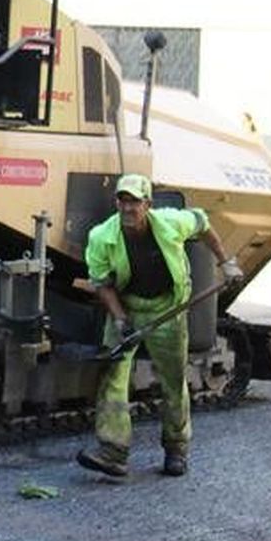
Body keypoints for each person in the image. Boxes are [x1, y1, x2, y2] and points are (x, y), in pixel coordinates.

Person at [77, 173, 243, 480]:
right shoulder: (102, 236)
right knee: (113, 376)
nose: (127, 208)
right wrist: (120, 319)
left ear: (148, 204)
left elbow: (203, 223)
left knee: (173, 379)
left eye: (134, 202)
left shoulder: (171, 223)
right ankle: (113, 452)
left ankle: (176, 448)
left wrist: (226, 262)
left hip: (167, 308)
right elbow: (101, 283)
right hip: (127, 307)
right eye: (122, 201)